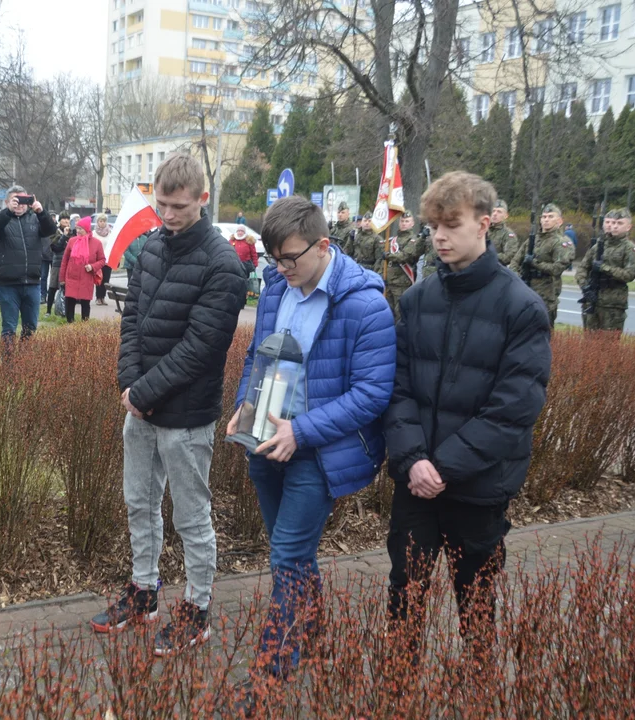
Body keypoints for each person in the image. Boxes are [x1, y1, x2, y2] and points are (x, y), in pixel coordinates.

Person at [228, 196, 395, 712]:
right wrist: (243, 405)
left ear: (324, 246)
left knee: (286, 555)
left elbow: (371, 394)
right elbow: (260, 353)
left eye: (291, 259)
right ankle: (315, 634)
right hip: (265, 443)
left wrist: (301, 431)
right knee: (293, 557)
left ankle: (269, 673)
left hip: (320, 453)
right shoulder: (279, 288)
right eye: (274, 260)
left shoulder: (365, 303)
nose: (281, 270)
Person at [385, 171, 551, 662]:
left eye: (451, 224)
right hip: (416, 485)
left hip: (478, 489)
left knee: (476, 602)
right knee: (405, 596)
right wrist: (414, 460)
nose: (438, 236)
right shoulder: (416, 300)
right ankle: (398, 689)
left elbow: (514, 407)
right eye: (433, 225)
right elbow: (398, 389)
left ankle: (476, 691)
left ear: (484, 224)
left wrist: (444, 467)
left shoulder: (521, 308)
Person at [92, 153, 245, 657]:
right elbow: (132, 319)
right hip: (140, 407)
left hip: (186, 416)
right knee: (139, 503)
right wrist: (128, 382)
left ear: (202, 199)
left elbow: (201, 348)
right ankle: (144, 592)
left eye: (178, 206)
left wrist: (143, 393)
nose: (168, 214)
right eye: (161, 204)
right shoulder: (151, 248)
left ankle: (197, 610)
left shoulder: (223, 264)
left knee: (191, 518)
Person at [0, 185, 58, 343]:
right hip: (8, 285)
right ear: (7, 202)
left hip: (32, 283)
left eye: (24, 200)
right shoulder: (2, 219)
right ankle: (9, 366)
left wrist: (41, 212)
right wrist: (8, 212)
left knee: (30, 328)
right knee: (9, 328)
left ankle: (25, 365)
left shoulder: (34, 219)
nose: (20, 204)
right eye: (16, 200)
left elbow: (50, 230)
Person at [575, 208, 635, 333]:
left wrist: (604, 268)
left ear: (628, 227)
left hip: (612, 304)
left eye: (619, 223)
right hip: (592, 298)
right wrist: (585, 287)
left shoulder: (630, 249)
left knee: (608, 343)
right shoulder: (598, 246)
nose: (614, 226)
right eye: (612, 223)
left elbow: (630, 274)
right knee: (589, 343)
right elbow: (582, 268)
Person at [510, 203, 574, 324]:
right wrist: (517, 278)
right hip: (525, 291)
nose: (546, 220)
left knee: (542, 333)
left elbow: (557, 268)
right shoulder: (532, 240)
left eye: (550, 216)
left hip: (546, 295)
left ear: (559, 221)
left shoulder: (562, 243)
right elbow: (515, 261)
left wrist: (534, 263)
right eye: (544, 217)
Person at [60, 216, 106, 322]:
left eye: (81, 229)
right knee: (69, 303)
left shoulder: (96, 243)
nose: (78, 231)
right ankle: (70, 325)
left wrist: (92, 266)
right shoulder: (72, 241)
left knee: (85, 304)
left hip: (86, 278)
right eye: (77, 228)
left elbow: (102, 260)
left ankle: (83, 330)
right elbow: (64, 261)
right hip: (71, 277)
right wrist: (62, 278)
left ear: (87, 229)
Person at [381, 211, 421, 321]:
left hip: (402, 282)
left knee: (400, 314)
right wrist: (382, 276)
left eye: (407, 221)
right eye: (402, 221)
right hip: (389, 282)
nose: (404, 223)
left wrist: (388, 255)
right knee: (387, 313)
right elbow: (383, 261)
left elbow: (405, 256)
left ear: (412, 223)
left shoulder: (414, 240)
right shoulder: (393, 240)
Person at [47, 213, 72, 315]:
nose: (66, 221)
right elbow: (56, 248)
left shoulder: (73, 232)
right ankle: (48, 310)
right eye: (64, 219)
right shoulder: (55, 231)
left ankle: (65, 310)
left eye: (68, 219)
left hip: (69, 264)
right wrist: (64, 237)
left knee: (67, 288)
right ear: (60, 220)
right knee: (53, 287)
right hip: (58, 263)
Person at [229, 226, 259, 302]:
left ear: (244, 232)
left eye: (241, 231)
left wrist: (255, 264)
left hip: (246, 265)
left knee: (244, 283)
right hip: (234, 264)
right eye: (238, 231)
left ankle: (242, 300)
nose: (240, 232)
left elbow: (254, 254)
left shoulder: (249, 241)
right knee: (234, 282)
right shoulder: (232, 241)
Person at [487, 200, 517, 265]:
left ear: (506, 215)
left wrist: (489, 255)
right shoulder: (484, 230)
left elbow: (508, 256)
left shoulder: (508, 234)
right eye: (493, 211)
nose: (495, 214)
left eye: (499, 212)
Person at [94, 214, 113, 306]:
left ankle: (103, 297)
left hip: (108, 259)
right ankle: (98, 297)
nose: (102, 223)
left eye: (104, 221)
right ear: (98, 222)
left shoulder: (110, 232)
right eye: (101, 221)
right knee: (99, 279)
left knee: (106, 279)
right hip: (98, 260)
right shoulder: (94, 233)